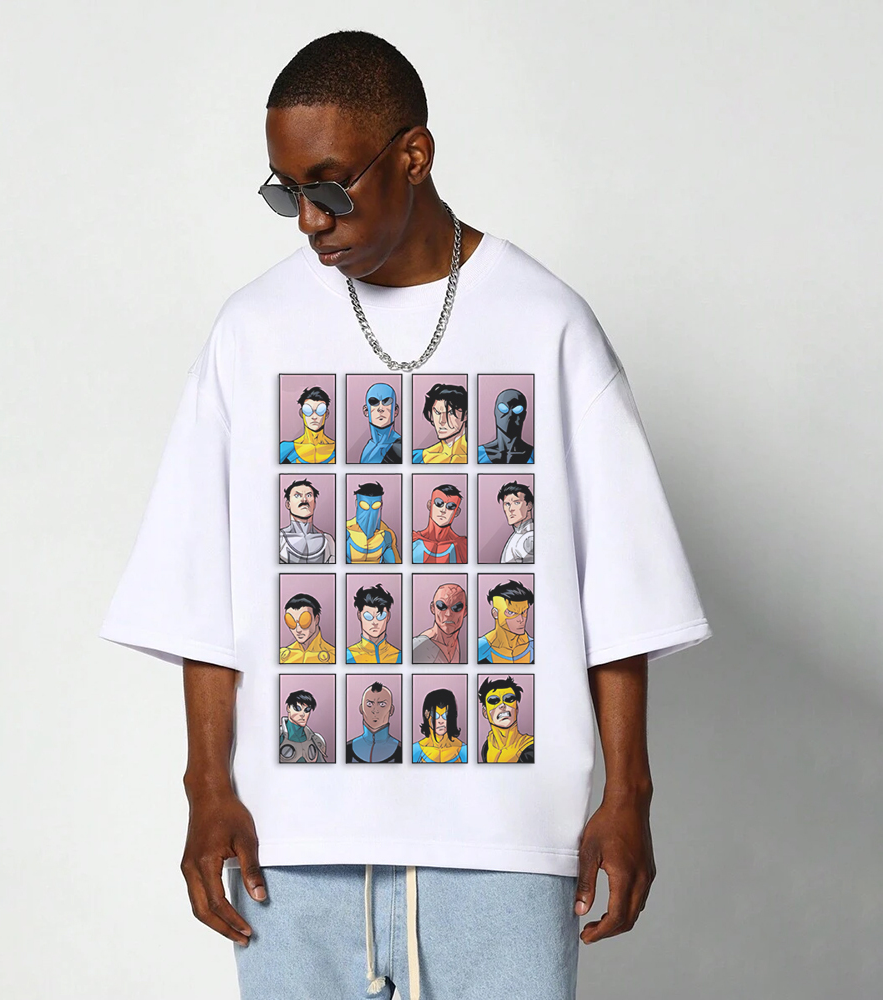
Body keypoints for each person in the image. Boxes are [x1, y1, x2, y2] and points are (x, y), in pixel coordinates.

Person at [100, 29, 711, 1000]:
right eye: (285, 193)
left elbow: (622, 591)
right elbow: (198, 588)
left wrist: (627, 795)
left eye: (331, 189)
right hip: (293, 848)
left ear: (414, 155)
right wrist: (206, 787)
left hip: (506, 845)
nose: (310, 221)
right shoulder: (252, 331)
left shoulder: (545, 323)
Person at [478, 675, 535, 763]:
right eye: (493, 700)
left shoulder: (531, 748)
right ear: (485, 712)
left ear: (516, 708)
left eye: (509, 699)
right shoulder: (487, 746)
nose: (502, 705)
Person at [279, 478, 336, 563]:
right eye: (297, 495)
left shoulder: (328, 541)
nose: (304, 499)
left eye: (308, 495)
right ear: (288, 504)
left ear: (314, 504)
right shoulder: (279, 539)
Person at [345, 680, 402, 763]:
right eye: (369, 704)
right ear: (361, 709)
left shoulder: (402, 751)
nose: (375, 710)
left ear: (391, 710)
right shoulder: (346, 749)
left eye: (382, 704)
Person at [411, 580, 466, 664]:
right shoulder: (418, 647)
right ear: (433, 608)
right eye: (441, 606)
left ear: (465, 611)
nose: (448, 614)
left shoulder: (454, 643)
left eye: (456, 607)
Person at [410, 483, 468, 563]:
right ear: (430, 505)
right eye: (439, 503)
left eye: (450, 506)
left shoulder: (463, 545)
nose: (443, 510)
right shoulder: (413, 540)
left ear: (457, 512)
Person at [411, 687, 467, 763]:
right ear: (426, 714)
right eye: (436, 715)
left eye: (445, 715)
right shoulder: (416, 750)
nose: (441, 721)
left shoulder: (462, 750)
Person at [278, 592, 334, 664]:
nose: (298, 630)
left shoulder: (334, 656)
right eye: (291, 622)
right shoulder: (281, 656)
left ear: (316, 619)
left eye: (304, 621)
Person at [278, 689, 329, 763]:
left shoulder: (315, 739)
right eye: (297, 708)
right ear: (288, 708)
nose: (302, 714)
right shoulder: (277, 736)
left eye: (307, 710)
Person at [359, 381, 402, 463]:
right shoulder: (368, 448)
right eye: (374, 402)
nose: (380, 409)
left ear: (395, 410)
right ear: (366, 410)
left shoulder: (401, 448)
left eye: (387, 401)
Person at [497, 480, 535, 563]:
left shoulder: (529, 538)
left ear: (529, 505)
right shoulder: (518, 534)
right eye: (507, 504)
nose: (511, 509)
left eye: (517, 503)